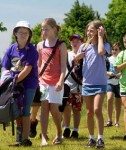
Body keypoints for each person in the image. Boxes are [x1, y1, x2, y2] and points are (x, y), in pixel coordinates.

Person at [1, 20, 39, 146]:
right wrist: (6, 78)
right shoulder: (11, 49)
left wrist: (14, 81)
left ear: (29, 35)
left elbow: (28, 69)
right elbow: (4, 67)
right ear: (15, 33)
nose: (23, 34)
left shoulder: (32, 50)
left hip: (29, 83)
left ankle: (25, 139)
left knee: (26, 110)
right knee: (16, 110)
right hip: (14, 83)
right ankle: (19, 139)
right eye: (20, 32)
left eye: (26, 32)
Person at [74, 20, 110, 148]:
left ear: (99, 31)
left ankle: (100, 138)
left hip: (100, 83)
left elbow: (100, 52)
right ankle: (92, 138)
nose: (89, 33)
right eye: (88, 30)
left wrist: (100, 37)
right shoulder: (84, 46)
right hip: (87, 83)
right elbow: (75, 60)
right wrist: (77, 57)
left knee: (97, 110)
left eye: (92, 31)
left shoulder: (105, 45)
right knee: (89, 112)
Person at [39, 18, 67, 146]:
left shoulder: (61, 45)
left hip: (56, 81)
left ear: (54, 29)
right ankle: (43, 137)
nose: (44, 31)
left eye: (46, 29)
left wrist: (61, 81)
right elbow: (39, 65)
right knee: (44, 108)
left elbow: (63, 66)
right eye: (43, 29)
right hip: (43, 81)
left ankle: (59, 132)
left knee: (54, 109)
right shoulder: (40, 45)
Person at [62, 34, 83, 139]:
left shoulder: (84, 55)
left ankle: (75, 130)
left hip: (79, 86)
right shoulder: (66, 54)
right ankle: (66, 127)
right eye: (72, 41)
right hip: (66, 85)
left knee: (77, 110)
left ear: (81, 43)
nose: (74, 43)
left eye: (77, 41)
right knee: (67, 107)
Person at [105, 42, 122, 127]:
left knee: (118, 101)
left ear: (120, 50)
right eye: (113, 49)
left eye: (116, 49)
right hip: (110, 82)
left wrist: (121, 74)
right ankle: (109, 120)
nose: (114, 51)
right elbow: (103, 71)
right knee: (109, 98)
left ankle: (117, 121)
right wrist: (108, 73)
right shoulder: (108, 59)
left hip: (119, 83)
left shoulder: (122, 59)